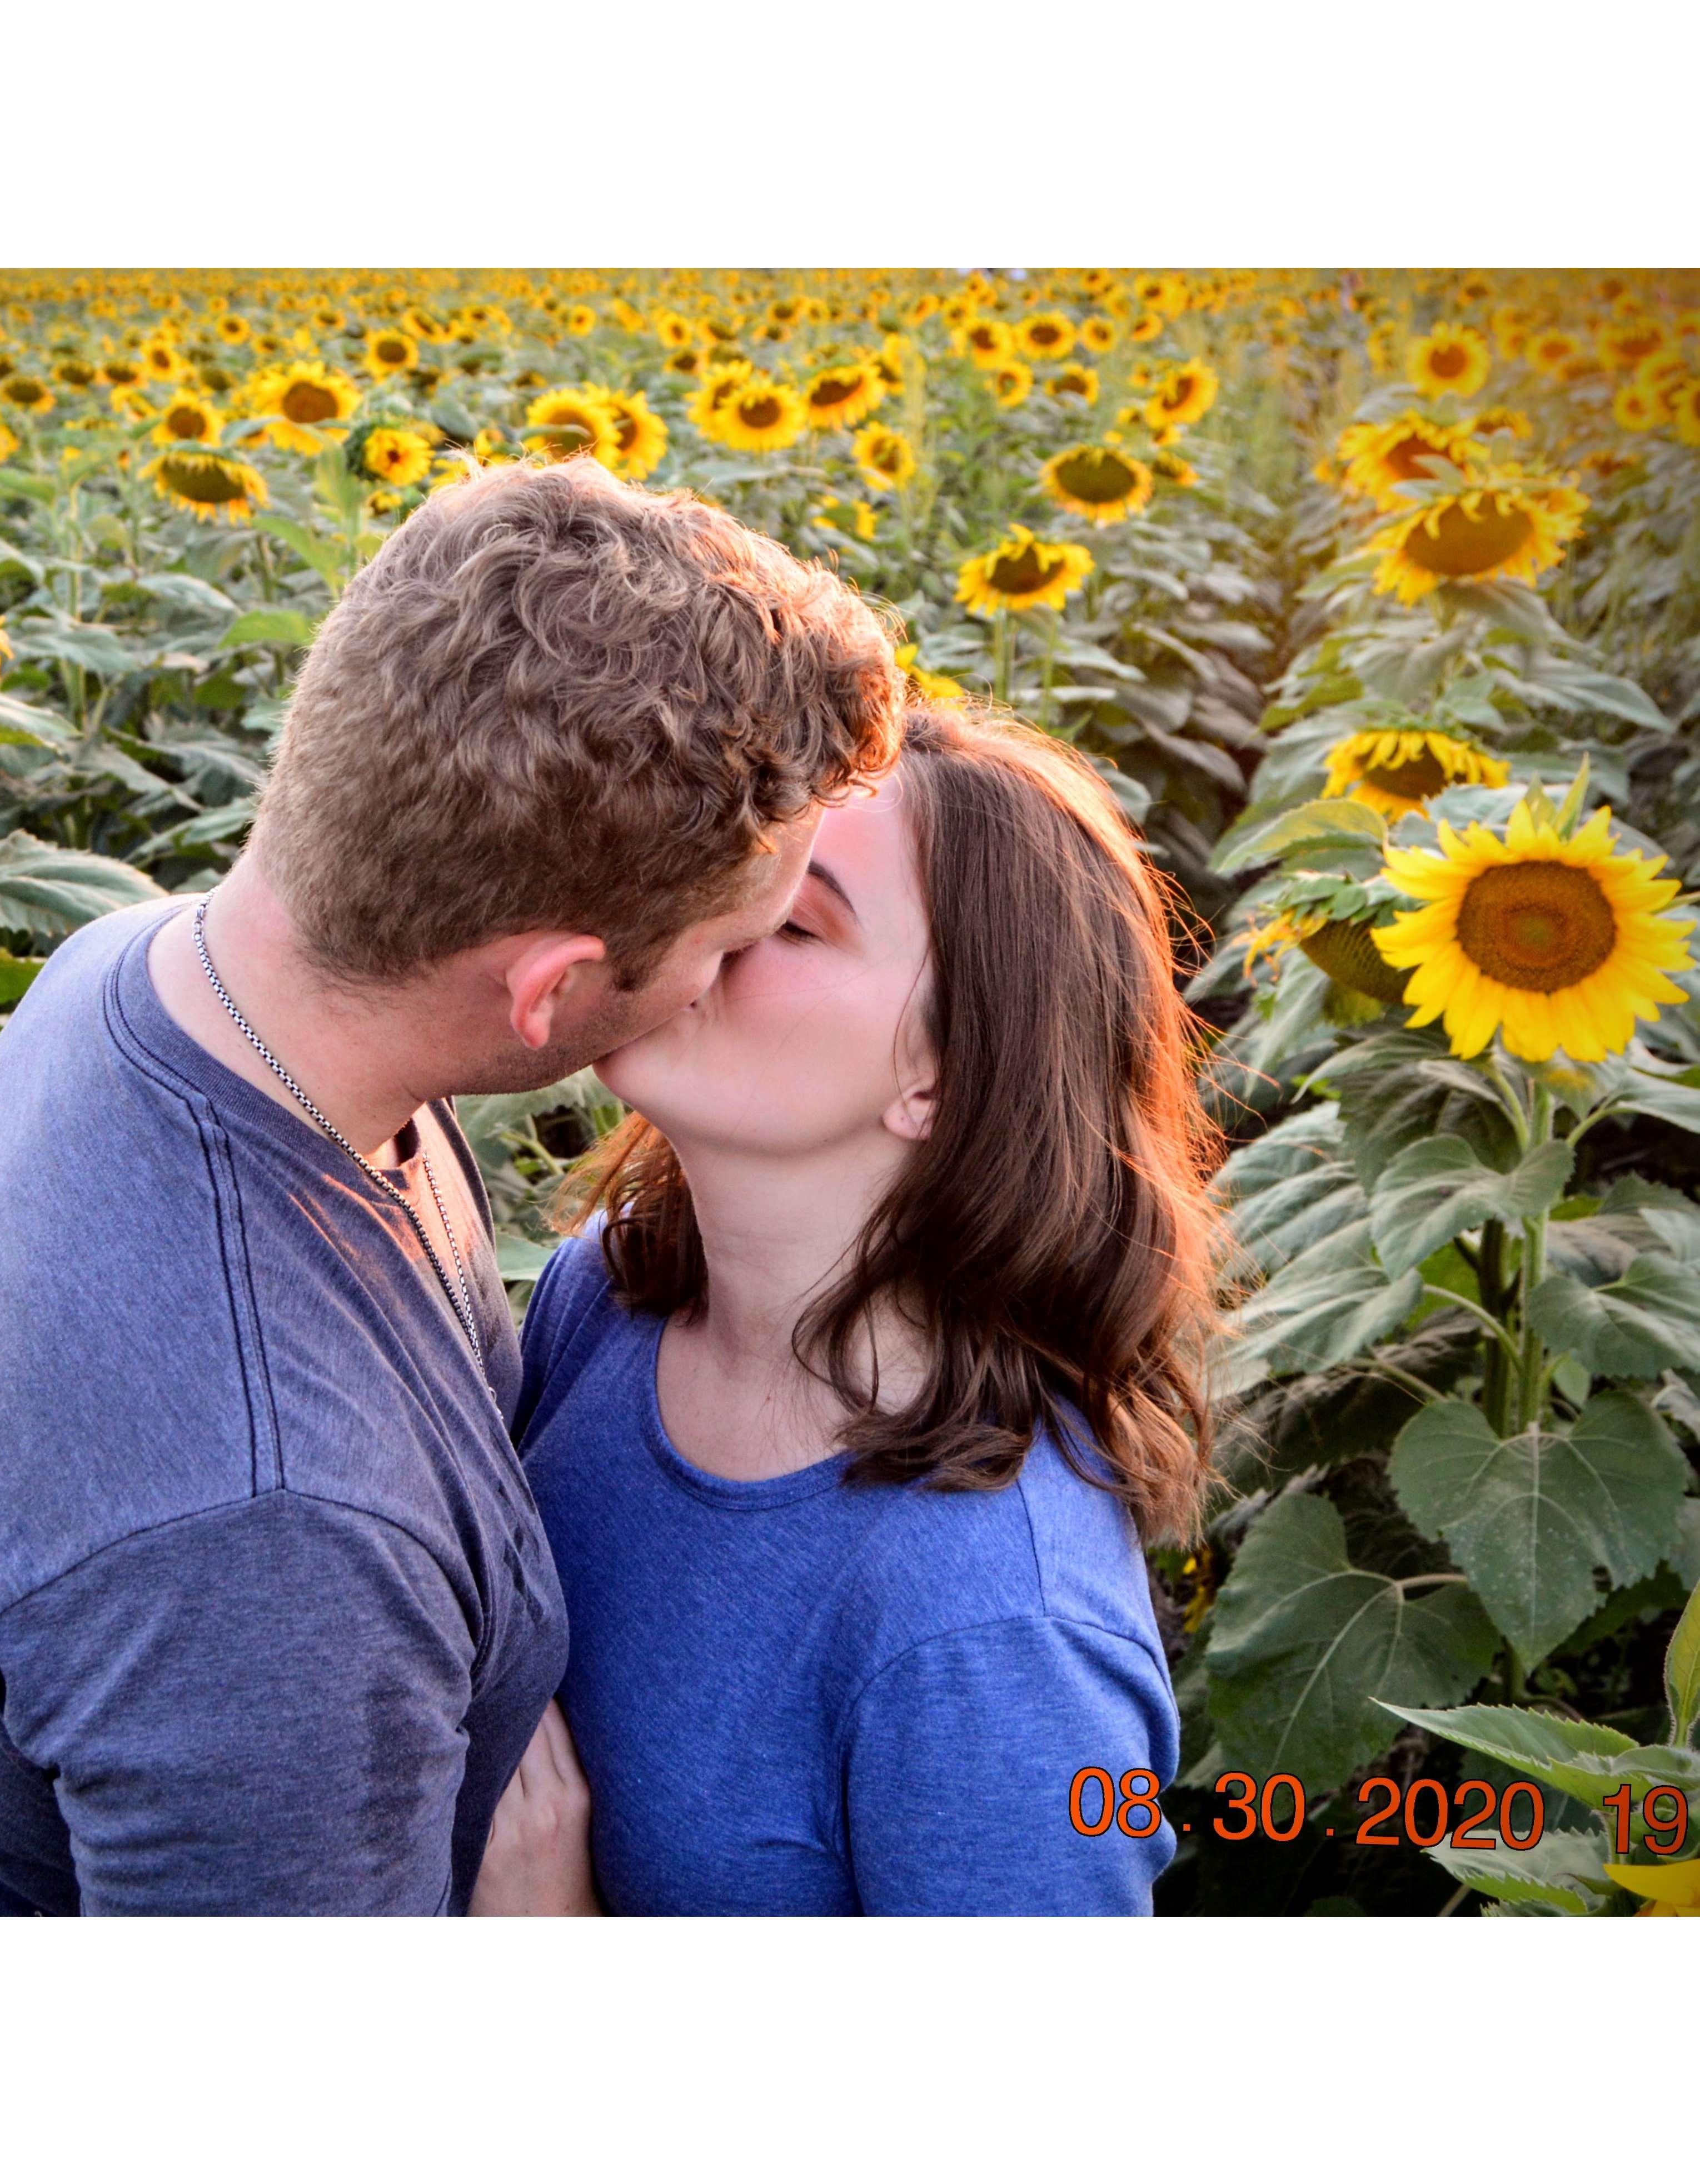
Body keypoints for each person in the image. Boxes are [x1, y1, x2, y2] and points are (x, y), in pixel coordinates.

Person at [0, 457, 904, 1914]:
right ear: (547, 988)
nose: (724, 989)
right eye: (727, 947)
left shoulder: (164, 974)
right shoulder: (268, 1543)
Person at [470, 705, 1218, 1916]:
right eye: (726, 868)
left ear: (945, 1073)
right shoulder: (601, 1300)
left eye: (795, 918)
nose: (699, 918)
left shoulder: (997, 1636)